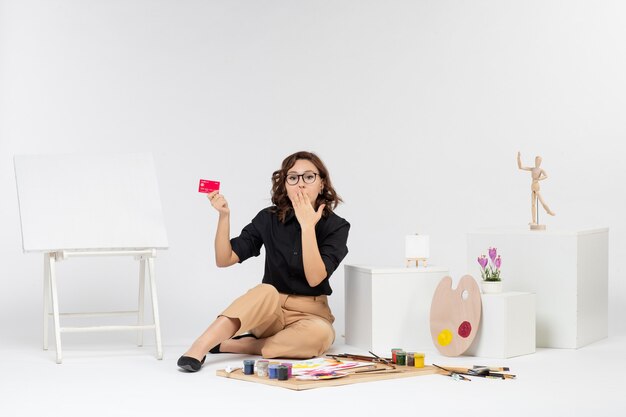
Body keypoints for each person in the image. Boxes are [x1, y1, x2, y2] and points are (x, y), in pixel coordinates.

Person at [177, 151, 350, 372]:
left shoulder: (337, 227)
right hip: (270, 310)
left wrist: (308, 226)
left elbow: (315, 277)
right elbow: (224, 259)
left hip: (311, 315)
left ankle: (242, 344)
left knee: (320, 336)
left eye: (309, 177)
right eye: (293, 177)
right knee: (265, 290)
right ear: (285, 184)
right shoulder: (268, 217)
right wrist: (224, 216)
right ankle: (199, 347)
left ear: (321, 183)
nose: (301, 184)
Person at [517, 151, 555, 225]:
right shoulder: (532, 169)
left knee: (542, 201)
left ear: (540, 162)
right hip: (532, 186)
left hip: (536, 186)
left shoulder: (541, 170)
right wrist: (518, 158)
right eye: (536, 160)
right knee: (533, 204)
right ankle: (534, 221)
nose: (537, 162)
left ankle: (549, 211)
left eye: (538, 161)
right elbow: (520, 167)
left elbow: (546, 176)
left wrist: (539, 179)